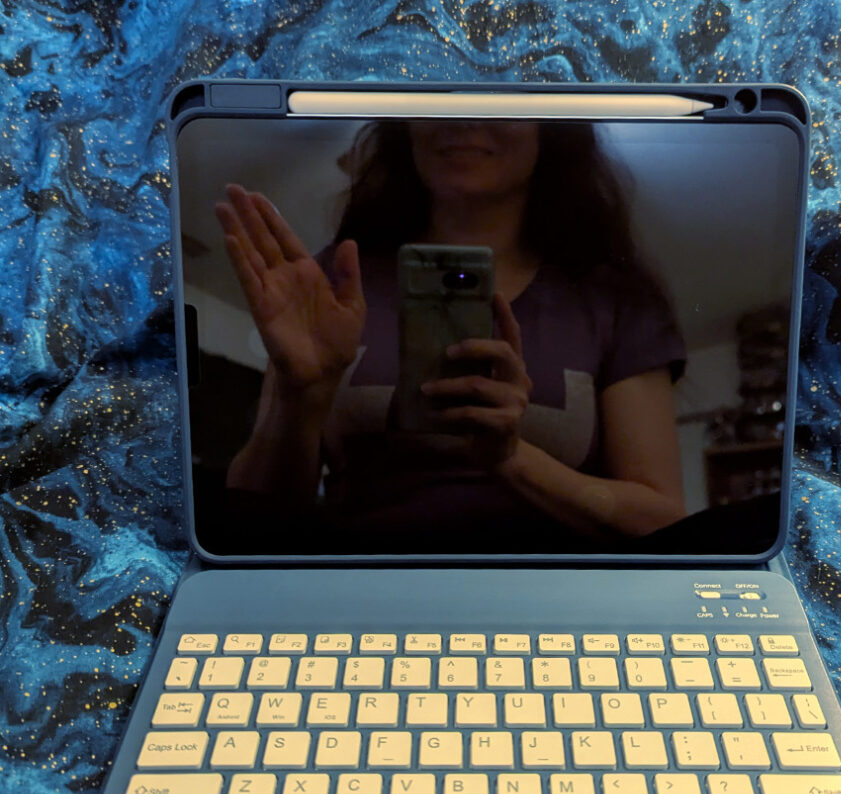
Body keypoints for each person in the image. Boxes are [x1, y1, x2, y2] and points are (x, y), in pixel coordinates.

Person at [215, 119, 687, 551]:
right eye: (438, 99)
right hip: (358, 597)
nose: (463, 119)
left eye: (502, 101)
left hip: (560, 607)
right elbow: (256, 517)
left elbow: (660, 521)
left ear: (551, 126)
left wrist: (512, 458)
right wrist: (301, 397)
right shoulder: (337, 279)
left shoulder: (615, 298)